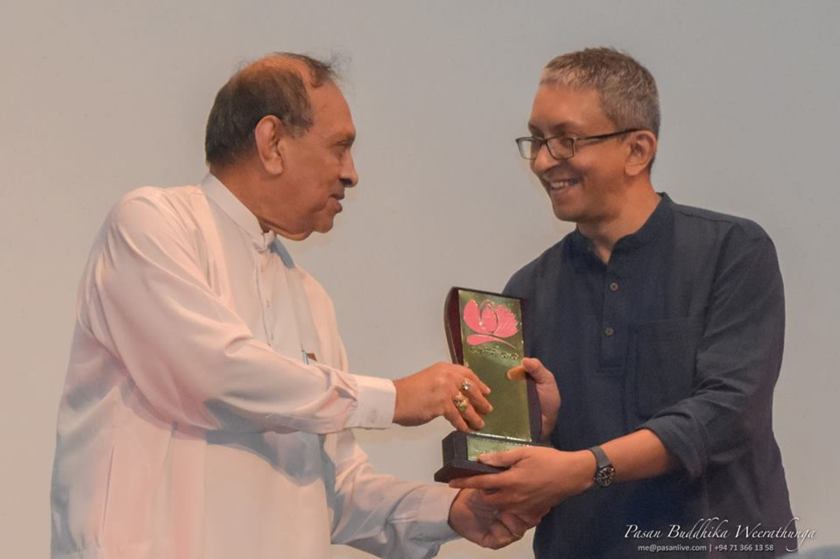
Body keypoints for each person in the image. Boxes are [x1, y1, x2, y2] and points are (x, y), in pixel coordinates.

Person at [50, 52, 554, 559]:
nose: (351, 174)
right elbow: (213, 374)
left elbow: (336, 490)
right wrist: (394, 399)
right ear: (271, 143)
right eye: (339, 148)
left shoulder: (308, 295)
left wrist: (452, 512)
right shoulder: (152, 224)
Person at [451, 48, 797, 557]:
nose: (545, 161)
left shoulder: (733, 250)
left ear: (638, 149)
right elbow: (526, 468)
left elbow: (728, 412)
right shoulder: (526, 289)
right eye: (538, 141)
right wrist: (535, 434)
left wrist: (587, 467)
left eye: (566, 140)